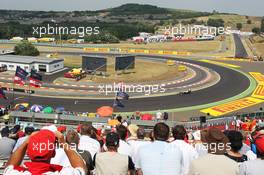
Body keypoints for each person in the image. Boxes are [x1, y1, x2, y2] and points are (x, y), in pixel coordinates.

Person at [3, 129, 87, 175]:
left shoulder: (15, 173)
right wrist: (63, 143)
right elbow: (81, 169)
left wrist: (26, 142)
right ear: (53, 153)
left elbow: (9, 167)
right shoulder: (64, 173)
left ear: (28, 153)